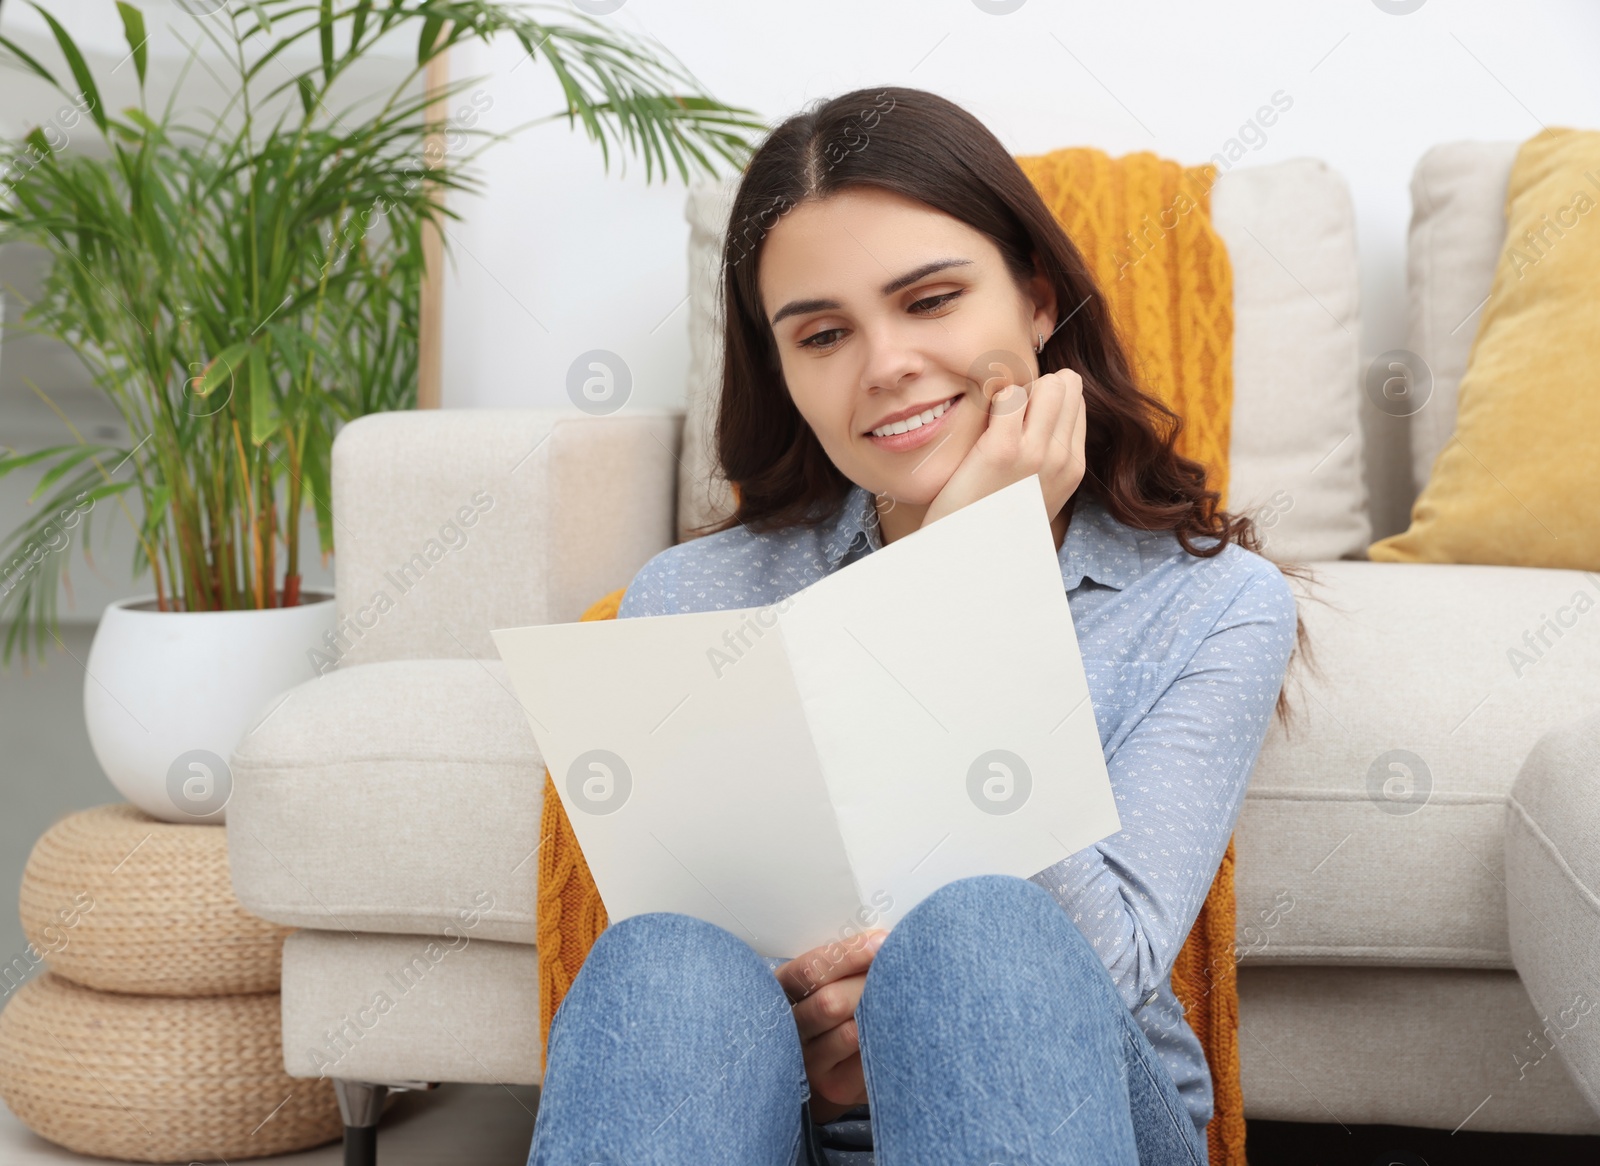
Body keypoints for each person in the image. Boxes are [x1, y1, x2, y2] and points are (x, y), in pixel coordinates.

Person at [527, 84, 1310, 1166]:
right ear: (785, 374)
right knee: (663, 963)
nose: (884, 363)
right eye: (823, 334)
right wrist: (799, 1028)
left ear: (1037, 300)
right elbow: (711, 965)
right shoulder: (691, 596)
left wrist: (964, 574)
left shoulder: (1215, 601)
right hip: (787, 1122)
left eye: (931, 300)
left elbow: (1115, 961)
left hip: (1060, 1104)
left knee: (977, 937)